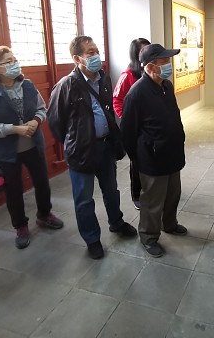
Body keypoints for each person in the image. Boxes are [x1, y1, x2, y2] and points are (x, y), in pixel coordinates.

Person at [47, 36, 136, 260]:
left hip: (105, 146)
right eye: (90, 52)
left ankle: (116, 222)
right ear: (77, 58)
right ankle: (92, 239)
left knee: (111, 190)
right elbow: (55, 121)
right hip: (82, 151)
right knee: (84, 199)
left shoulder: (104, 79)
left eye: (96, 50)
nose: (96, 55)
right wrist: (75, 141)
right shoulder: (67, 85)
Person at [0, 46, 63, 249]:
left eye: (15, 60)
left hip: (33, 145)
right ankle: (20, 225)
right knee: (13, 189)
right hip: (4, 152)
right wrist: (13, 129)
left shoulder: (27, 85)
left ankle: (44, 214)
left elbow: (42, 108)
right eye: (8, 62)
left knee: (42, 182)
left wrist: (36, 121)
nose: (14, 64)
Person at [120, 44, 187, 258]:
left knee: (173, 194)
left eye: (168, 60)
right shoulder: (137, 92)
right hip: (153, 157)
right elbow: (128, 131)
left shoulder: (166, 85)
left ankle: (170, 223)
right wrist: (139, 158)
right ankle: (149, 237)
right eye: (164, 61)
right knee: (152, 201)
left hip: (172, 153)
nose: (168, 65)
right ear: (150, 66)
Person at [113, 37, 151, 210]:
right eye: (143, 50)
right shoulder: (127, 75)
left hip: (150, 127)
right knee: (136, 162)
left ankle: (152, 189)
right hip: (135, 128)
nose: (146, 53)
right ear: (135, 55)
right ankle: (137, 195)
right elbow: (117, 100)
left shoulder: (150, 71)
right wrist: (128, 119)